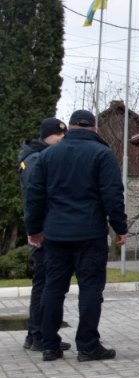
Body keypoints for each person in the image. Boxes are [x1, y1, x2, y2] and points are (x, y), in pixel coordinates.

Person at [24, 109, 127, 362]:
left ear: (69, 127)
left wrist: (34, 230)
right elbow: (113, 194)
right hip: (90, 234)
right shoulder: (102, 154)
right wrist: (120, 228)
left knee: (53, 288)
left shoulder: (47, 155)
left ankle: (49, 345)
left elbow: (34, 195)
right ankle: (88, 346)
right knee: (90, 289)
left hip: (55, 235)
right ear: (94, 128)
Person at [17, 117, 67, 352]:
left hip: (44, 229)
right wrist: (36, 230)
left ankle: (36, 334)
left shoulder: (35, 156)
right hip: (44, 232)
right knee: (44, 284)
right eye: (59, 136)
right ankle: (38, 335)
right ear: (48, 136)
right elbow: (36, 197)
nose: (62, 140)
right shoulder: (35, 159)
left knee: (44, 283)